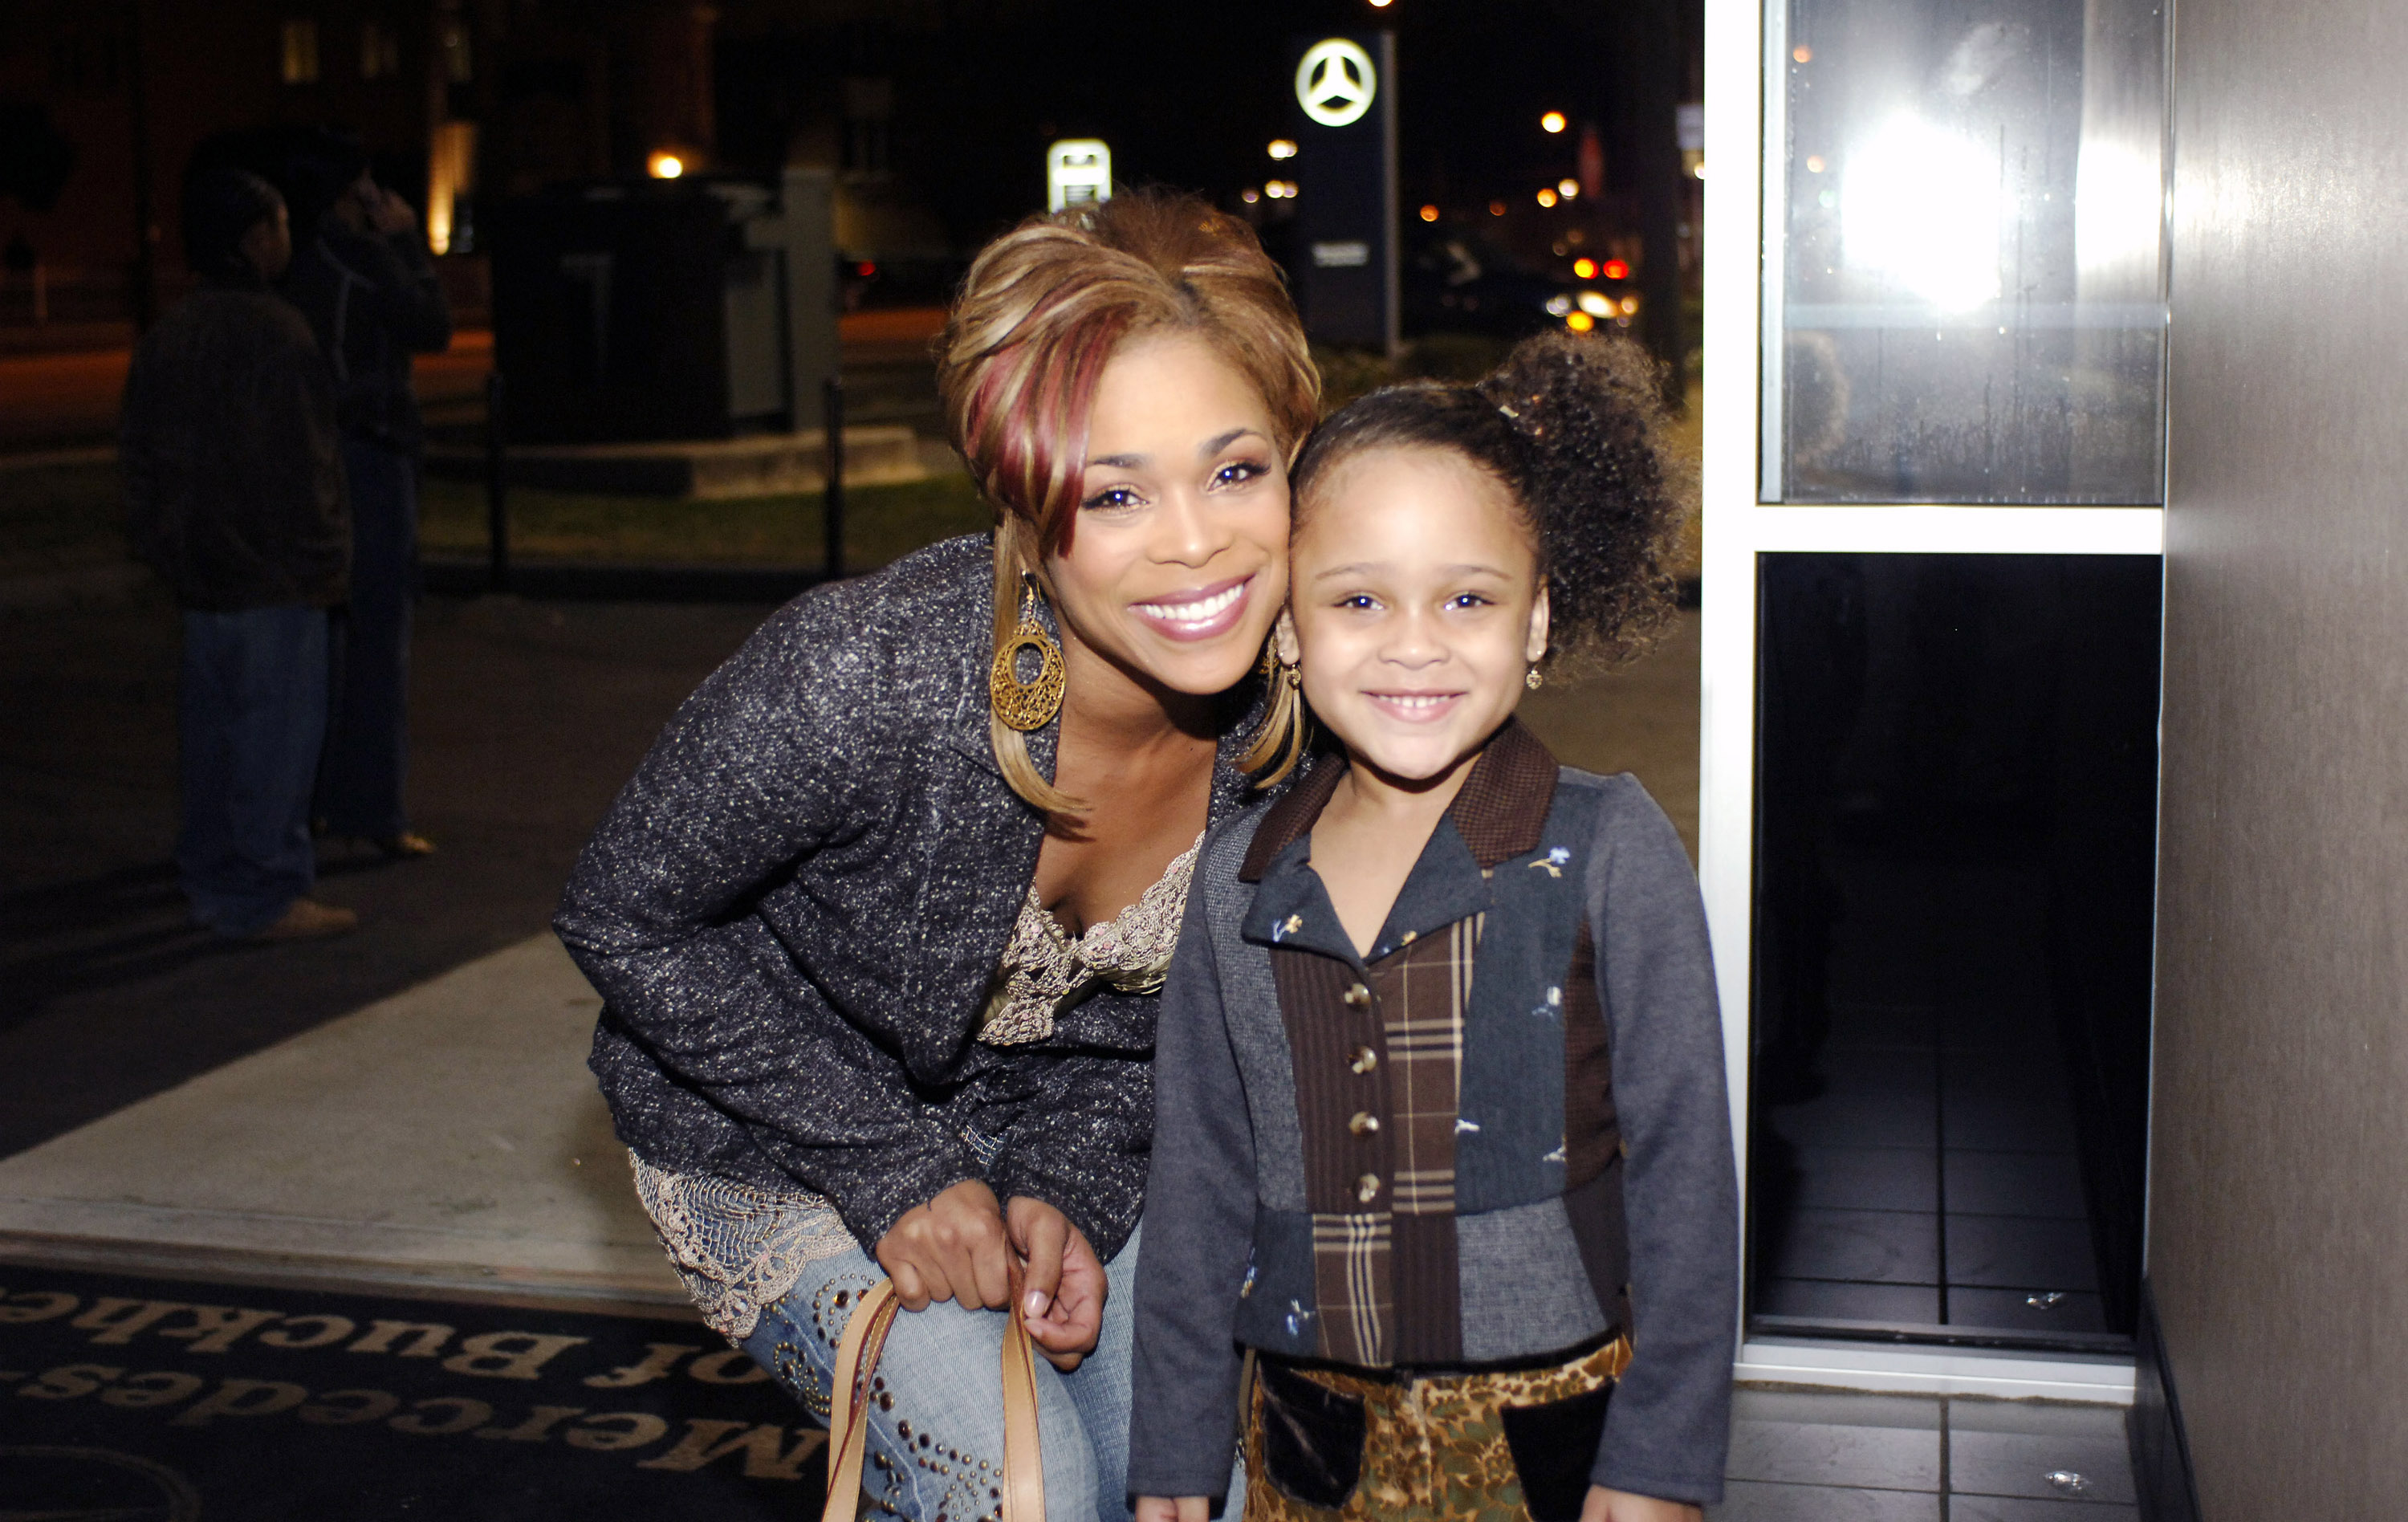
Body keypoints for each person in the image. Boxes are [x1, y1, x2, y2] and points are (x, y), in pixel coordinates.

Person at [554, 189, 1320, 1522]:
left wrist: (1070, 1191)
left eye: (1236, 468)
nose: (1197, 538)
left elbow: (1178, 1030)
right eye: (1116, 489)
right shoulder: (870, 674)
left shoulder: (1296, 722)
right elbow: (623, 916)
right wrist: (893, 1169)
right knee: (1026, 1490)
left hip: (1055, 1135)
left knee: (1207, 1476)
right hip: (777, 1126)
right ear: (1028, 497)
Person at [1128, 332, 1736, 1522]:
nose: (1415, 642)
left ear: (1539, 619)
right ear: (1289, 630)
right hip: (1306, 1444)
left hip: (1554, 1445)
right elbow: (1197, 1188)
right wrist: (1175, 1453)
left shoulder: (1607, 850)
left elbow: (1688, 1180)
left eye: (1469, 597)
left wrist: (1659, 1457)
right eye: (1358, 598)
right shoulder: (1236, 882)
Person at [122, 165, 356, 941]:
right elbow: (307, 463)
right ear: (257, 240)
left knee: (214, 741)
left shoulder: (172, 334)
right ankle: (266, 891)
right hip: (274, 573)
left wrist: (168, 550)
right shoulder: (277, 332)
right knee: (275, 741)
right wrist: (327, 559)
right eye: (282, 226)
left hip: (204, 578)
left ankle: (214, 880)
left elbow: (142, 459)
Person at [281, 140, 452, 860]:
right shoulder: (360, 260)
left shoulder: (297, 267)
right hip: (370, 454)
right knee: (379, 633)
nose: (377, 202)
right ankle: (372, 809)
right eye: (367, 192)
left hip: (316, 455)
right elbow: (431, 326)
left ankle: (314, 800)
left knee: (323, 636)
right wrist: (408, 241)